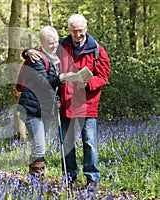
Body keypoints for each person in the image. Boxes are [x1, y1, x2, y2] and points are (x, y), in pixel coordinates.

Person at [26, 14, 111, 189]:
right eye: (74, 31)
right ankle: (70, 178)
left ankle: (92, 179)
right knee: (67, 144)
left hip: (88, 104)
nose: (77, 34)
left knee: (89, 143)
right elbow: (43, 53)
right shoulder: (61, 46)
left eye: (80, 31)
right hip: (66, 103)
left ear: (86, 29)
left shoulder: (97, 50)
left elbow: (103, 76)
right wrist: (27, 51)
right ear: (69, 30)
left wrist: (88, 84)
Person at [17, 25, 65, 176]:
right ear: (42, 43)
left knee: (39, 145)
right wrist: (61, 79)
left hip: (43, 108)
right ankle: (36, 182)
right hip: (31, 108)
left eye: (56, 41)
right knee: (39, 147)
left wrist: (55, 98)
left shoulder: (53, 54)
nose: (55, 45)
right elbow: (43, 83)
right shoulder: (36, 58)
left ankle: (33, 179)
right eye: (51, 43)